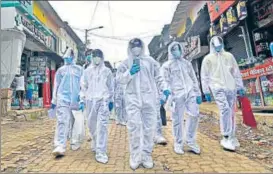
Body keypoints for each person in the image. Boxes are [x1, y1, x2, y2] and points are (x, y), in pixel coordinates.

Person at [116, 38, 167, 170]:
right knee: (134, 128)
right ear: (130, 48)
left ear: (142, 47)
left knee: (149, 128)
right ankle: (135, 156)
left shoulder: (150, 61)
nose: (136, 49)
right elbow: (119, 79)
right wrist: (130, 72)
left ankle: (146, 155)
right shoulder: (125, 63)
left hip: (149, 99)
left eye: (138, 46)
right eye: (133, 47)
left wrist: (164, 88)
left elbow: (158, 77)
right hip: (132, 99)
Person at [201, 36, 245, 151]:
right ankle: (225, 136)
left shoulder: (229, 56)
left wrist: (240, 86)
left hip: (231, 87)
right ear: (212, 45)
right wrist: (206, 91)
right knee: (224, 108)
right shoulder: (208, 59)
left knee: (231, 111)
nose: (218, 47)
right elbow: (204, 76)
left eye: (219, 45)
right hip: (217, 87)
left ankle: (232, 135)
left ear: (222, 44)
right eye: (216, 46)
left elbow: (236, 72)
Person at [161, 41, 202, 155]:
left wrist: (197, 93)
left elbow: (193, 78)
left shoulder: (187, 63)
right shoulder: (167, 65)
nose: (176, 51)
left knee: (194, 114)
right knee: (177, 120)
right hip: (176, 95)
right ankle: (178, 143)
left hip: (190, 92)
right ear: (170, 51)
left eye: (177, 48)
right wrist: (166, 90)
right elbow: (164, 80)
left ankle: (190, 140)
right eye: (173, 49)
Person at [79, 49, 114, 164]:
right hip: (90, 101)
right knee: (91, 124)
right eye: (95, 56)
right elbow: (83, 86)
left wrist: (111, 100)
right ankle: (95, 139)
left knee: (102, 126)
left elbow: (111, 87)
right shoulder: (87, 71)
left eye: (99, 56)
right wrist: (81, 99)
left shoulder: (107, 71)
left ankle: (101, 151)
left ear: (102, 57)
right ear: (92, 57)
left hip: (103, 101)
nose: (97, 58)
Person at [51, 48, 84, 157]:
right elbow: (56, 85)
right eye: (66, 56)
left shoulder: (79, 70)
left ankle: (75, 141)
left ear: (74, 57)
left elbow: (83, 85)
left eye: (70, 56)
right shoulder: (61, 70)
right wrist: (54, 100)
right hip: (63, 99)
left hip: (76, 100)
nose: (68, 58)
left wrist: (82, 98)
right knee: (62, 121)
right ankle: (60, 145)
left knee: (76, 122)